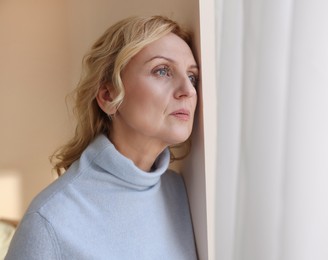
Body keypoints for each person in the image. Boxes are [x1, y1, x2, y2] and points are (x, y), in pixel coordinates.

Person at [6, 15, 198, 259]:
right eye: (162, 71)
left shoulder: (181, 192)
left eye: (192, 77)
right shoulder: (49, 220)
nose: (188, 91)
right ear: (108, 96)